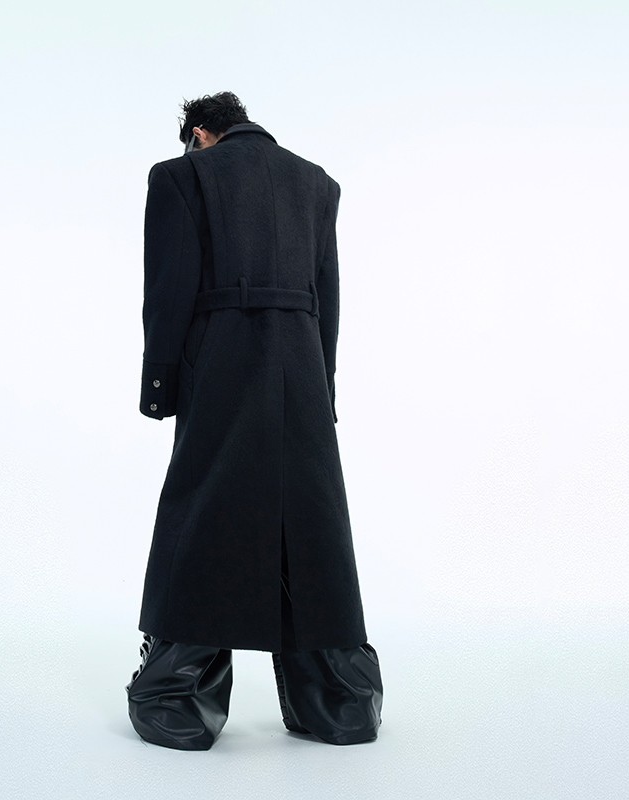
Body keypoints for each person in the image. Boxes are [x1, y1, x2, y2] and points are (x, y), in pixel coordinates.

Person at [126, 92, 383, 750]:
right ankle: (341, 702)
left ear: (200, 132)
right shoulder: (316, 182)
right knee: (311, 519)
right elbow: (327, 299)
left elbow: (169, 289)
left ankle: (180, 698)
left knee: (204, 506)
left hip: (220, 356)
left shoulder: (179, 175)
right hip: (301, 362)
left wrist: (160, 384)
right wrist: (322, 388)